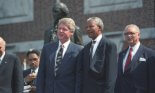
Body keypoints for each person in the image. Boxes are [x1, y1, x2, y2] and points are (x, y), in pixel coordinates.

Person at [36, 18, 83, 93]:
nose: (60, 31)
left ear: (71, 33)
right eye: (59, 28)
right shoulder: (47, 49)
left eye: (64, 29)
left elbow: (79, 77)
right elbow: (41, 74)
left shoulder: (79, 50)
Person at [79, 17, 117, 93]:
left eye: (91, 26)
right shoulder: (86, 48)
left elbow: (111, 75)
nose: (88, 29)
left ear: (99, 28)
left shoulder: (109, 45)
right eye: (87, 27)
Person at [115, 24, 155, 93]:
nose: (128, 36)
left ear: (139, 35)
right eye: (126, 34)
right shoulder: (121, 54)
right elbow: (120, 78)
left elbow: (152, 80)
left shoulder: (150, 54)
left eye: (132, 33)